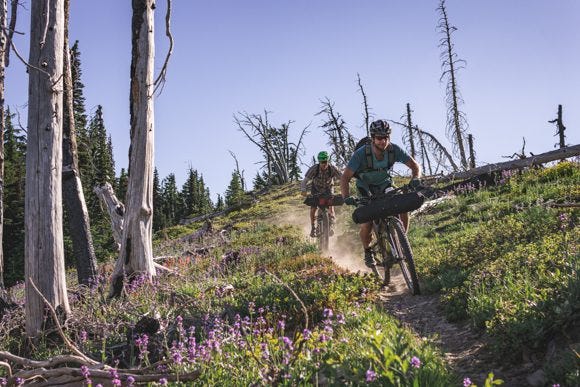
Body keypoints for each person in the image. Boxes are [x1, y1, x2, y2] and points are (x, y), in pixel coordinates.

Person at [340, 119, 421, 268]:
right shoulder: (360, 154)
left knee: (402, 205)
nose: (383, 141)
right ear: (372, 138)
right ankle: (368, 251)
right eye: (379, 138)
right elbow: (345, 177)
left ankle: (403, 240)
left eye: (386, 137)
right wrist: (346, 197)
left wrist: (415, 178)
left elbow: (414, 165)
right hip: (365, 187)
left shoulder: (393, 150)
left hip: (385, 184)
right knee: (367, 222)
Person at [301, 151, 342, 237]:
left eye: (325, 162)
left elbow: (342, 179)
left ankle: (331, 225)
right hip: (316, 189)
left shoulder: (332, 168)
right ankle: (313, 228)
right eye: (322, 162)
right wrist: (303, 190)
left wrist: (344, 190)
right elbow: (304, 181)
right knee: (313, 207)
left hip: (328, 188)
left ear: (328, 160)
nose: (324, 164)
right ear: (319, 161)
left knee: (331, 206)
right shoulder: (314, 169)